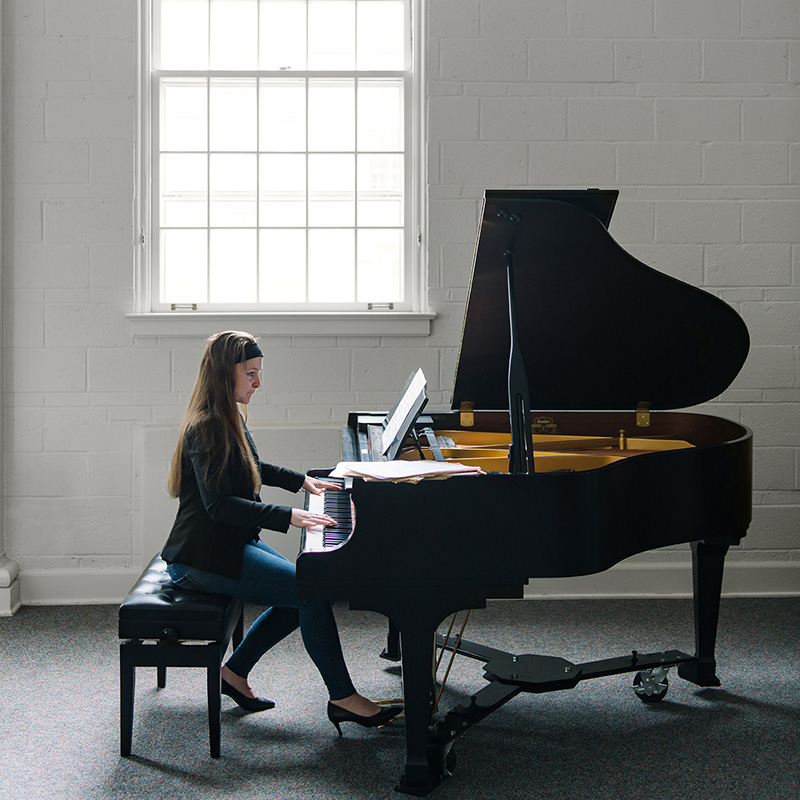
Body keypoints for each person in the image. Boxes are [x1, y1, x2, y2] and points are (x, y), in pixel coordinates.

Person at [161, 330, 401, 734]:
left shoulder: (227, 416)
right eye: (251, 373)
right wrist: (289, 516)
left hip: (228, 545)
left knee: (303, 588)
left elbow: (253, 465)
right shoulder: (206, 426)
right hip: (199, 558)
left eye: (258, 373)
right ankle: (342, 696)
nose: (258, 383)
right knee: (310, 591)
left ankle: (233, 673)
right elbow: (219, 507)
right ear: (223, 375)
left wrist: (302, 481)